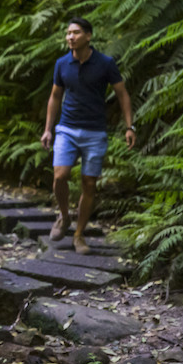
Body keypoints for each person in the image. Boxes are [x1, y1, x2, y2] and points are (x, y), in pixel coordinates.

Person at [40, 17, 136, 255]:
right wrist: (48, 129)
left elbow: (122, 94)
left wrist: (129, 126)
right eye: (68, 33)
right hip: (67, 129)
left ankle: (79, 234)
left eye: (76, 33)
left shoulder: (105, 63)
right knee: (60, 176)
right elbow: (54, 97)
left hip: (95, 131)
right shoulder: (62, 64)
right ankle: (64, 217)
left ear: (88, 36)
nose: (70, 37)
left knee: (89, 183)